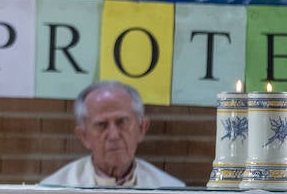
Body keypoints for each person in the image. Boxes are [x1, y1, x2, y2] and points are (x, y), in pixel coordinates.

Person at [40, 81, 184, 188]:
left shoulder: (171, 192)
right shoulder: (53, 190)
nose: (113, 135)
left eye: (122, 122)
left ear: (142, 129)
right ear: (84, 136)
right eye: (101, 125)